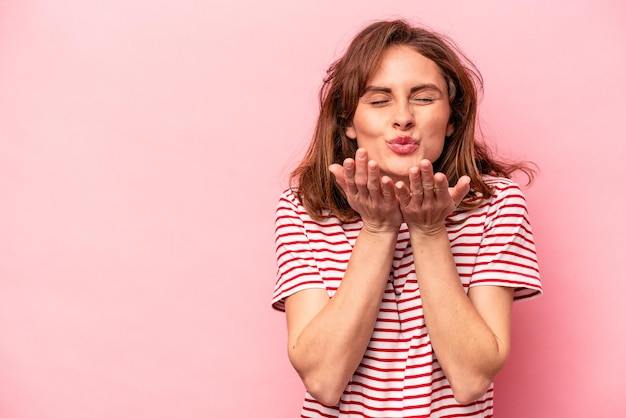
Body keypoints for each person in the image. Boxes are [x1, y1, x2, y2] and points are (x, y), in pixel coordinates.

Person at [271, 19, 542, 417]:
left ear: (452, 118)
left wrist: (429, 230)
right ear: (349, 121)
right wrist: (378, 229)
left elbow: (470, 380)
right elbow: (324, 381)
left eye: (424, 98)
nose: (403, 118)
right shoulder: (303, 209)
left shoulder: (497, 204)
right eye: (379, 100)